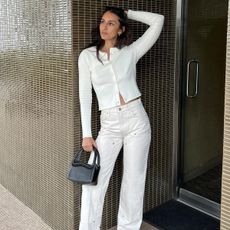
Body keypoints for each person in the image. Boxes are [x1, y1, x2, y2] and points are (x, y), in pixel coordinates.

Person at [78, 6, 164, 230]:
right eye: (102, 22)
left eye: (111, 23)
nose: (104, 27)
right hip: (109, 125)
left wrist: (128, 12)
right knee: (93, 183)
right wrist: (87, 134)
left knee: (134, 182)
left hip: (137, 121)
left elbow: (158, 20)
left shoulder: (130, 52)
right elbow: (85, 95)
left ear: (120, 29)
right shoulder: (87, 56)